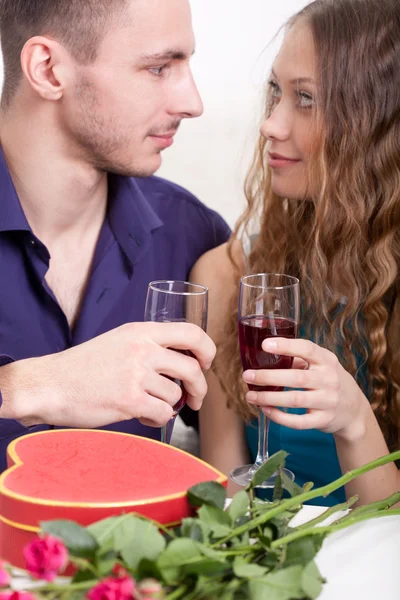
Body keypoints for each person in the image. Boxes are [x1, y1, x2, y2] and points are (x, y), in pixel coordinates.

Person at [0, 0, 231, 472]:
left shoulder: (194, 235)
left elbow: (240, 461)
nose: (193, 102)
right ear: (47, 69)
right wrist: (35, 385)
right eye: (158, 68)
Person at [193, 0, 400, 506]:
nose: (271, 124)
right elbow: (225, 502)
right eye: (275, 93)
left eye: (305, 98)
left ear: (376, 126)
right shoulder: (227, 276)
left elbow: (387, 536)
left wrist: (354, 420)